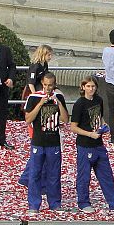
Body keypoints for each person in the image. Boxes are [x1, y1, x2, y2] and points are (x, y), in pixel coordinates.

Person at [71, 77, 114, 213]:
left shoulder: (99, 100)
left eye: (93, 86)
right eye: (88, 86)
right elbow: (73, 127)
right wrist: (90, 134)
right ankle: (83, 203)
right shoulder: (79, 104)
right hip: (85, 144)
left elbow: (99, 116)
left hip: (98, 144)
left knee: (106, 174)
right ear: (83, 87)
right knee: (84, 176)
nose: (91, 89)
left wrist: (103, 124)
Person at [24, 72, 69, 215]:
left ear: (54, 85)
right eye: (45, 85)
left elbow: (65, 119)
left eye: (50, 85)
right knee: (35, 174)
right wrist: (40, 103)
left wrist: (58, 102)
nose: (48, 88)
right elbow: (28, 119)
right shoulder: (34, 97)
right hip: (38, 141)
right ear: (41, 84)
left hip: (53, 141)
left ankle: (55, 204)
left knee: (54, 174)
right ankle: (33, 205)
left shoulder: (59, 96)